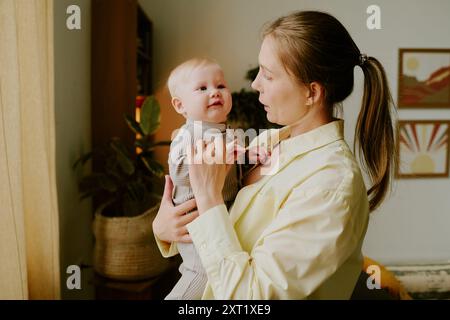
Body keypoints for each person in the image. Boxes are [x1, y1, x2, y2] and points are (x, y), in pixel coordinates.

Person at [152, 10, 396, 299]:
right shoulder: (268, 141)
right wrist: (164, 229)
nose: (255, 84)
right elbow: (218, 225)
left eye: (268, 75)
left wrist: (208, 198)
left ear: (312, 93)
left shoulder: (331, 185)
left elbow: (253, 297)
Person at [163, 58, 244, 299]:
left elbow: (235, 170)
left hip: (217, 217)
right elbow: (178, 171)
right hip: (194, 222)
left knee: (214, 280)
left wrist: (249, 155)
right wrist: (213, 155)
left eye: (221, 86)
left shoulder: (227, 131)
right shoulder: (187, 134)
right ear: (180, 106)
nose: (215, 93)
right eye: (202, 88)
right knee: (201, 273)